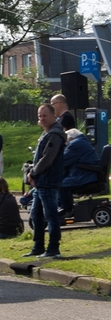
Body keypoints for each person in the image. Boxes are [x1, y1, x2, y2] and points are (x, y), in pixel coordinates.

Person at [24, 104, 66, 259]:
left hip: (48, 181)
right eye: (39, 116)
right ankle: (38, 247)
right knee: (36, 215)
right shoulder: (47, 133)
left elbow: (47, 158)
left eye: (44, 116)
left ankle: (54, 248)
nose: (41, 119)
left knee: (51, 215)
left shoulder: (54, 134)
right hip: (41, 181)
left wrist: (33, 172)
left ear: (53, 115)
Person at [59, 128, 99, 217]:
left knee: (60, 185)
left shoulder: (74, 144)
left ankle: (67, 210)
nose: (65, 143)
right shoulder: (82, 141)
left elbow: (63, 160)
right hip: (88, 174)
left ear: (70, 138)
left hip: (83, 176)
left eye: (66, 141)